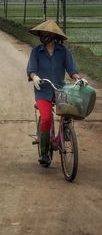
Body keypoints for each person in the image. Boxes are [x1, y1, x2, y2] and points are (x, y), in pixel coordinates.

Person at [26, 20, 88, 165]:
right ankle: (44, 152)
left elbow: (72, 70)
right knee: (47, 118)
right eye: (42, 34)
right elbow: (31, 70)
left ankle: (64, 134)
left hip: (60, 89)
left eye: (46, 34)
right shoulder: (37, 51)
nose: (43, 36)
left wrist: (79, 78)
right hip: (43, 91)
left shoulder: (64, 52)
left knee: (68, 114)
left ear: (53, 36)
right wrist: (34, 77)